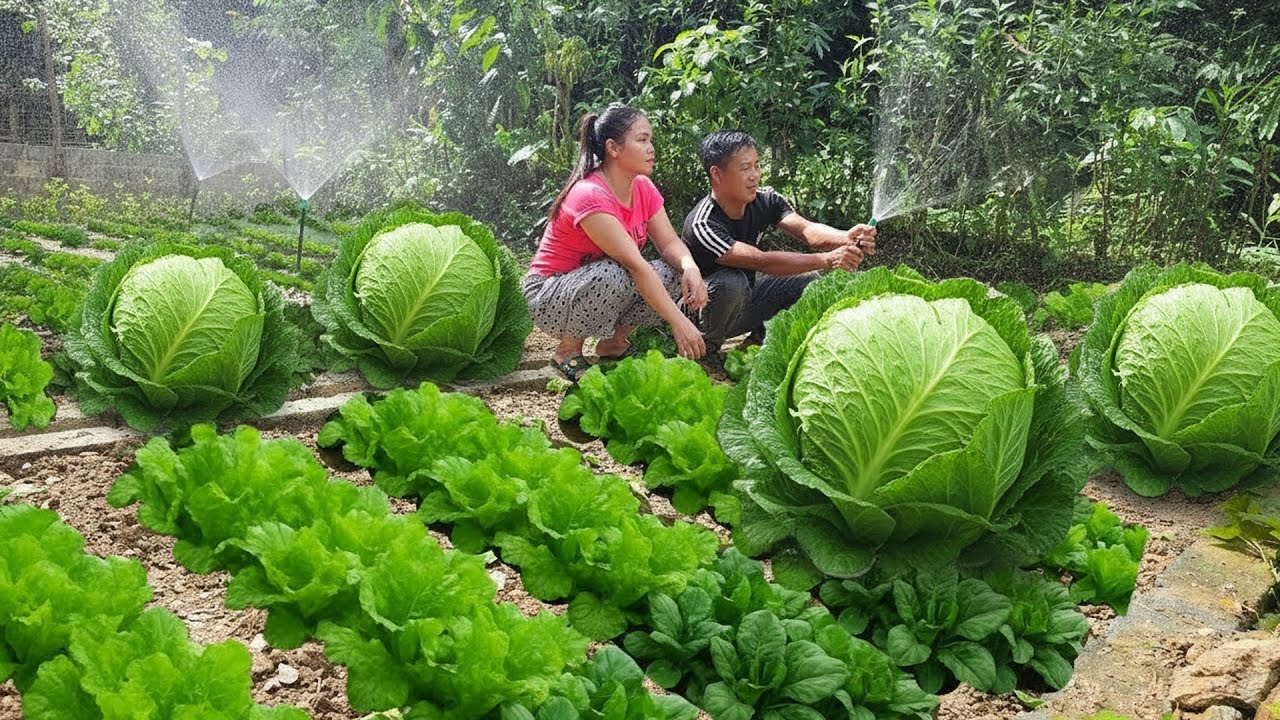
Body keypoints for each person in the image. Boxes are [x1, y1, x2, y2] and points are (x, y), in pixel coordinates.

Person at [523, 103, 709, 381]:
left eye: (651, 140)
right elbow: (635, 265)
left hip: (596, 284)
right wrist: (679, 322)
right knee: (615, 273)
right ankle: (567, 352)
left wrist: (690, 267)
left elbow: (669, 242)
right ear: (613, 148)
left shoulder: (643, 187)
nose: (651, 148)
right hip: (548, 297)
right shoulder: (589, 194)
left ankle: (613, 344)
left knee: (671, 273)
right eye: (642, 140)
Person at [681, 130, 877, 358]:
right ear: (717, 174)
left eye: (757, 166)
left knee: (806, 280)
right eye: (745, 168)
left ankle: (758, 343)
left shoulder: (766, 200)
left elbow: (807, 230)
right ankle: (707, 351)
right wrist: (828, 259)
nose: (755, 175)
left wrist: (846, 236)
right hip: (699, 314)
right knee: (730, 283)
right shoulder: (703, 223)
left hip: (744, 302)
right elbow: (760, 261)